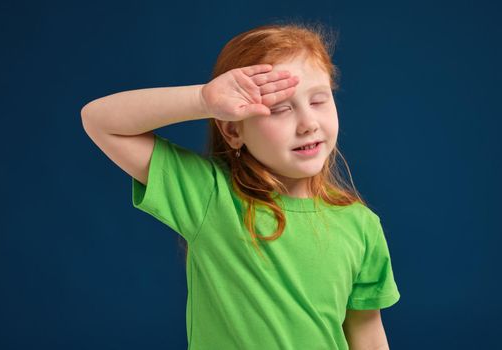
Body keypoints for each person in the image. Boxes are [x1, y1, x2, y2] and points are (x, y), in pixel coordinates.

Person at [81, 21, 401, 350]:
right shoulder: (210, 196)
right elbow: (99, 121)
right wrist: (202, 99)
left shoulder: (361, 224)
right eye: (280, 108)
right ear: (234, 131)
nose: (308, 124)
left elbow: (368, 336)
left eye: (319, 101)